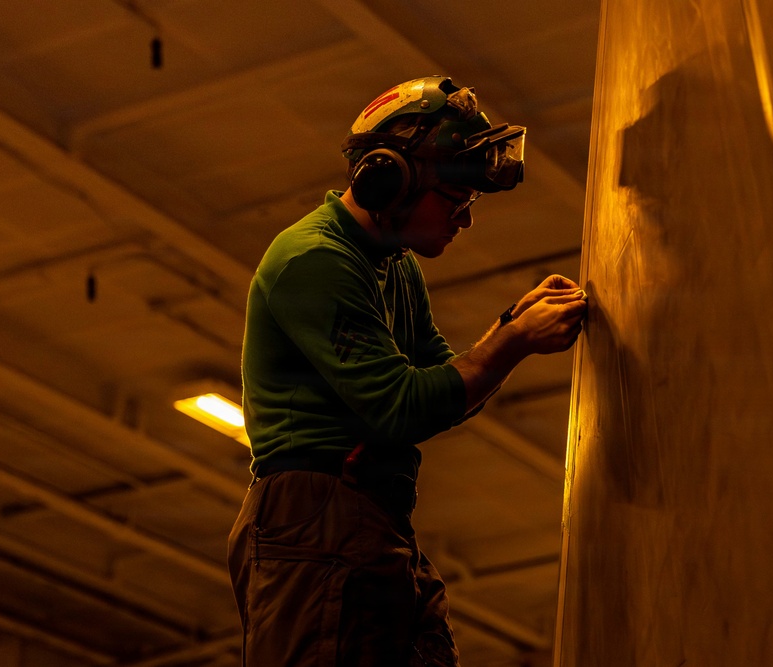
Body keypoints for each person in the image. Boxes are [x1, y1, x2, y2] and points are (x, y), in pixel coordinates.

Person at [227, 76, 587, 667]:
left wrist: (507, 327)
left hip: (367, 514)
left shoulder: (392, 264)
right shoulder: (315, 260)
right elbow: (403, 407)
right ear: (387, 178)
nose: (464, 221)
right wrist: (515, 343)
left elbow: (444, 388)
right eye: (455, 199)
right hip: (312, 518)